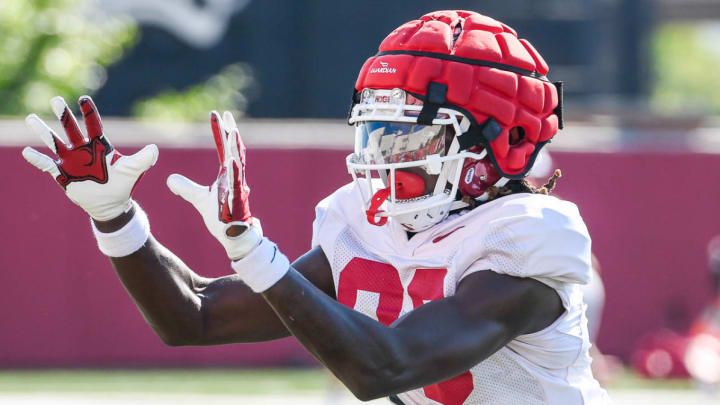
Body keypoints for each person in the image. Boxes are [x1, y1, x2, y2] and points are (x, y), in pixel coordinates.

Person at [21, 10, 610, 405]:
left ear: (492, 144)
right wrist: (115, 218)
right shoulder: (365, 220)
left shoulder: (528, 237)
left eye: (407, 137)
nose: (382, 157)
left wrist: (257, 254)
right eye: (375, 133)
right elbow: (192, 317)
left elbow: (386, 367)